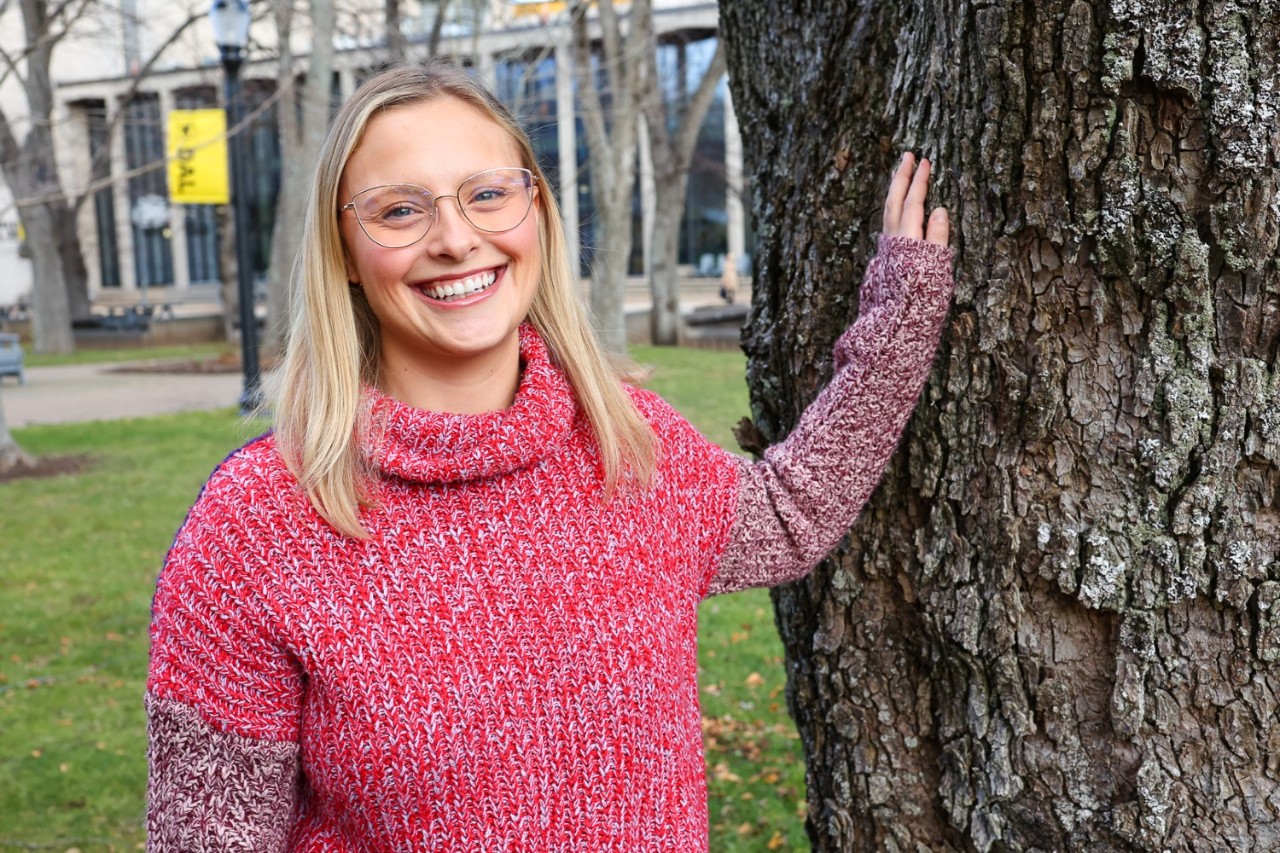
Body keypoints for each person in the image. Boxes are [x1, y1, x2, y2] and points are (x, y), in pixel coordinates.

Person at [144, 61, 953, 851]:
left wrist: (900, 320)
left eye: (488, 194)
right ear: (345, 254)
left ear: (536, 211)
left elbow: (786, 513)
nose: (457, 239)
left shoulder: (625, 443)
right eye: (399, 211)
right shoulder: (254, 529)